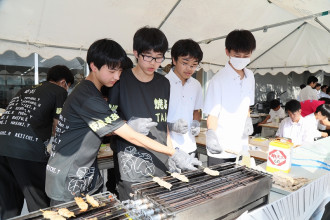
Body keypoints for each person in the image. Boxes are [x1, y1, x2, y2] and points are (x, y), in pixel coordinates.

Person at [45, 39, 200, 205]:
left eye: (119, 71)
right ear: (94, 66)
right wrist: (173, 153)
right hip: (68, 179)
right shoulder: (87, 97)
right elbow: (131, 136)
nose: (117, 76)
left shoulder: (94, 91)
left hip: (86, 175)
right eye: (112, 71)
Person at [107, 27, 201, 201]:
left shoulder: (164, 83)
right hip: (131, 162)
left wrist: (171, 152)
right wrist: (127, 125)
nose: (153, 63)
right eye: (148, 57)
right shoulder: (121, 80)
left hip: (160, 160)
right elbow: (108, 125)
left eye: (159, 58)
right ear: (136, 53)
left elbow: (162, 123)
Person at [0, 65, 74, 219]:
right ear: (63, 82)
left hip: (2, 145)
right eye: (68, 87)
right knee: (39, 201)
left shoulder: (25, 89)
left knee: (9, 201)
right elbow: (58, 126)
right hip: (26, 148)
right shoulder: (59, 91)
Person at [203, 29, 256, 166]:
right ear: (227, 52)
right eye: (237, 55)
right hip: (221, 146)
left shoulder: (250, 76)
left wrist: (248, 119)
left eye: (246, 56)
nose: (241, 59)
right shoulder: (218, 80)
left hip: (242, 145)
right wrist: (211, 135)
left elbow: (247, 104)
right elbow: (212, 115)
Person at [165, 39, 203, 156]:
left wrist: (196, 123)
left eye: (193, 65)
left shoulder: (196, 85)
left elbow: (196, 111)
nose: (189, 69)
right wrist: (171, 126)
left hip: (191, 146)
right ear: (174, 60)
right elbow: (156, 117)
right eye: (185, 63)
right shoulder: (163, 83)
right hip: (169, 148)